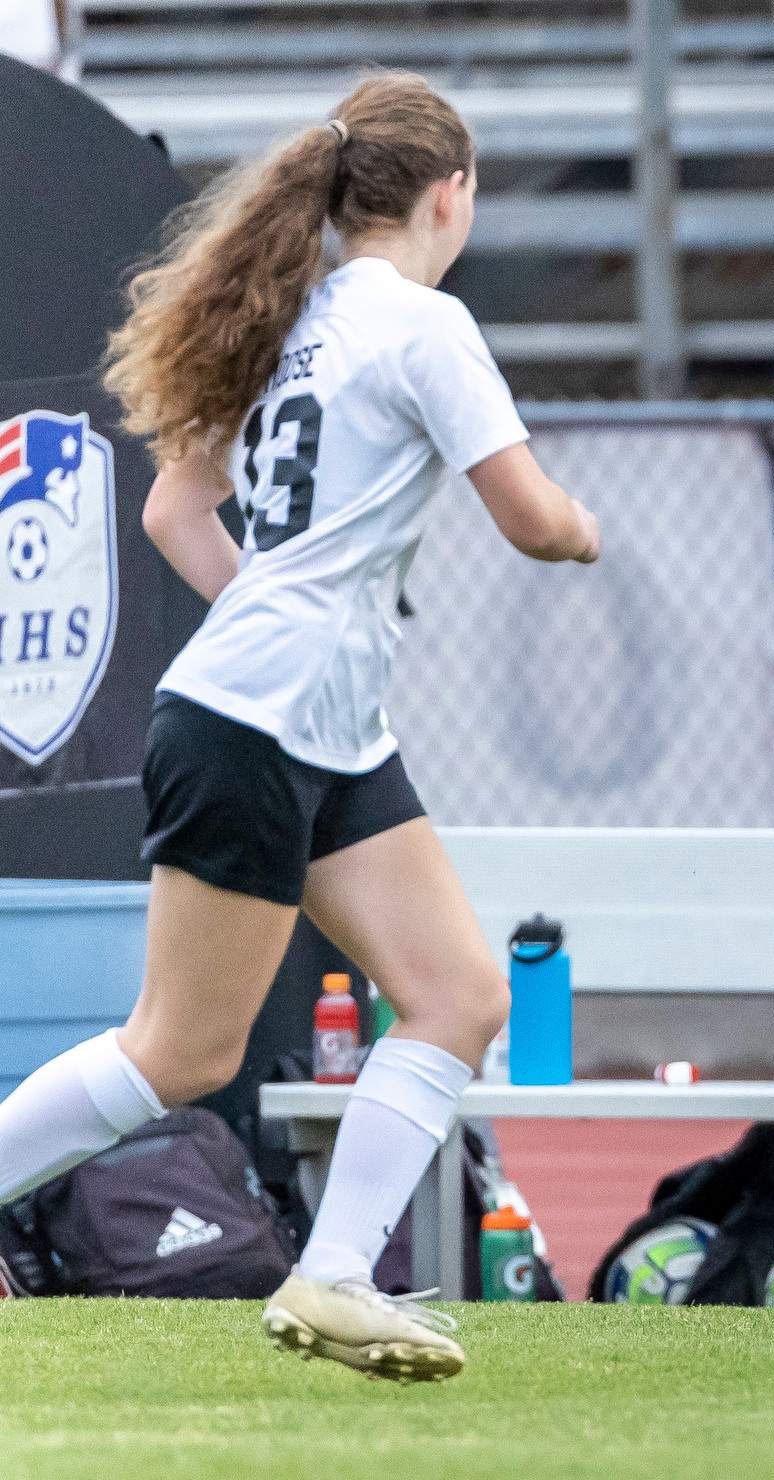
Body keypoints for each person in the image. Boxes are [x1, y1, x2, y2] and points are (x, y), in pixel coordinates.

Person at [0, 74, 599, 1379]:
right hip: (262, 719)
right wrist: (587, 531)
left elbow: (175, 515)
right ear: (453, 194)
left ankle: (330, 1279)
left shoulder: (295, 318)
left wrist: (273, 604)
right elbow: (538, 521)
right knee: (181, 1049)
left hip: (319, 720)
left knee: (455, 994)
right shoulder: (421, 327)